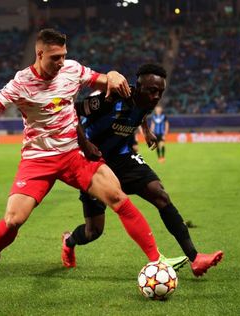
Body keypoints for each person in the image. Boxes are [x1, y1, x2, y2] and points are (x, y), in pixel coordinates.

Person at [0, 29, 185, 280]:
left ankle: (158, 259)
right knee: (13, 219)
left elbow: (104, 80)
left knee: (117, 196)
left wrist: (111, 75)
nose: (61, 62)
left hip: (73, 153)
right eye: (55, 57)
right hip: (38, 158)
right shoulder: (20, 83)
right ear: (39, 53)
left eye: (64, 56)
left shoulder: (71, 70)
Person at [61, 64, 223, 277]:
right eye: (152, 91)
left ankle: (195, 258)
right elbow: (72, 110)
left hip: (122, 157)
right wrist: (84, 145)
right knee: (94, 231)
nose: (157, 97)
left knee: (160, 194)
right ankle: (69, 241)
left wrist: (146, 132)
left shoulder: (146, 101)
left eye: (161, 92)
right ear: (137, 88)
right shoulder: (112, 98)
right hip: (95, 162)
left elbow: (142, 112)